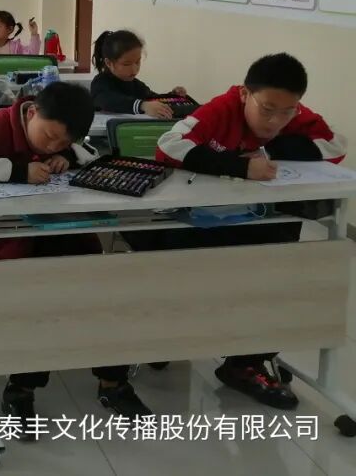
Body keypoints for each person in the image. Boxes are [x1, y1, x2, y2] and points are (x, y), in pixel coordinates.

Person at [0, 83, 151, 424]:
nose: (52, 145)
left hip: (53, 229)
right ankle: (21, 388)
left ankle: (113, 380)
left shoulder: (63, 136)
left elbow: (91, 156)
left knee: (101, 285)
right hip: (1, 235)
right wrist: (17, 171)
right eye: (49, 136)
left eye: (62, 142)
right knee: (41, 295)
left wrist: (67, 157)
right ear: (32, 112)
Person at [148, 53, 346, 409]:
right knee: (210, 279)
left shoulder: (294, 114)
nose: (276, 120)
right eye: (267, 110)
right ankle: (174, 340)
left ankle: (248, 361)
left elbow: (335, 146)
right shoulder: (221, 108)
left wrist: (270, 148)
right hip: (202, 221)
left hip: (262, 220)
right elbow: (168, 146)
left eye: (287, 112)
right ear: (244, 94)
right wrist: (239, 166)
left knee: (279, 276)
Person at [90, 30, 189, 117]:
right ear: (109, 63)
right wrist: (142, 105)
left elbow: (152, 99)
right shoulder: (100, 82)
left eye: (138, 62)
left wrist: (173, 96)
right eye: (126, 64)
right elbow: (108, 101)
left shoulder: (137, 85)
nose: (134, 69)